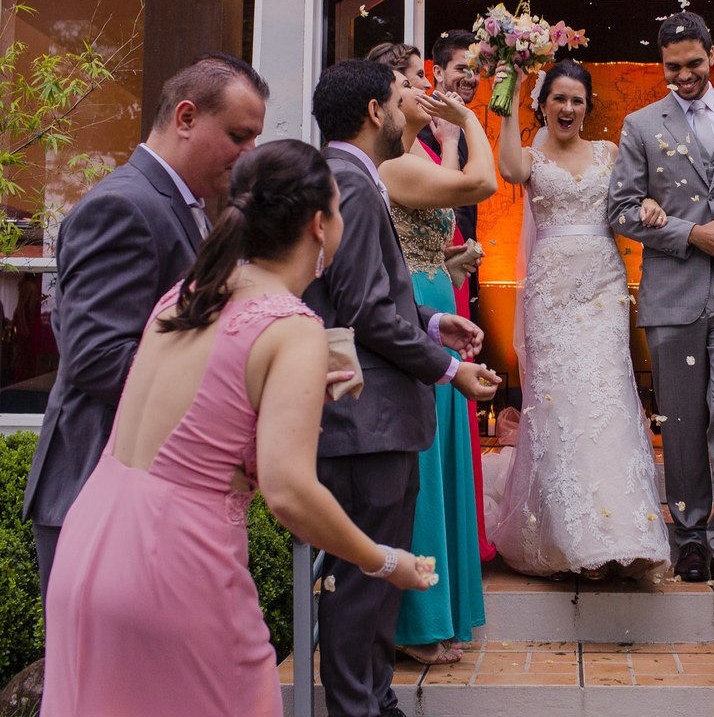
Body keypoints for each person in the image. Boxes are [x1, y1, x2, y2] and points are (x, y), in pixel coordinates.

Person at [40, 139, 435, 717]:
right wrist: (381, 559)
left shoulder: (192, 290)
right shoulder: (293, 327)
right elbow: (289, 490)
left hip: (91, 539)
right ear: (319, 226)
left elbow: (205, 405)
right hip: (175, 559)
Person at [23, 52, 269, 598]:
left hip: (148, 496)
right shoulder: (124, 206)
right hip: (99, 495)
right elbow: (98, 359)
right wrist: (232, 391)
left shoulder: (187, 207)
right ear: (185, 118)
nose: (248, 152)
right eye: (238, 134)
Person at [305, 58, 499, 717]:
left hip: (375, 418)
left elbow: (370, 293)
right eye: (398, 96)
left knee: (380, 573)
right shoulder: (353, 186)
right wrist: (447, 369)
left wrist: (436, 320)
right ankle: (359, 707)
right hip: (367, 421)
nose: (407, 105)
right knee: (364, 582)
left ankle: (376, 699)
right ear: (372, 112)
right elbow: (363, 310)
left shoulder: (351, 179)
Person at [608, 11, 714, 593]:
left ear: (712, 57)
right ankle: (690, 541)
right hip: (674, 289)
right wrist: (689, 233)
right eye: (672, 67)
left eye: (693, 64)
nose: (683, 76)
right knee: (681, 424)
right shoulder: (639, 124)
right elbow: (622, 210)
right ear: (661, 63)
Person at [494, 59, 671, 579]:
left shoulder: (609, 153)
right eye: (558, 99)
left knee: (610, 399)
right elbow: (505, 170)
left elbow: (631, 201)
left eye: (577, 99)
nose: (568, 108)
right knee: (561, 405)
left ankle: (626, 533)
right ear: (542, 104)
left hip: (602, 288)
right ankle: (576, 539)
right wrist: (510, 90)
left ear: (588, 105)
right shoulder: (528, 156)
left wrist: (652, 208)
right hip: (552, 294)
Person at [378, 49, 499, 665]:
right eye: (410, 83)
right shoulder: (394, 166)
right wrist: (469, 122)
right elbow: (482, 182)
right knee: (421, 471)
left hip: (433, 299)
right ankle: (417, 621)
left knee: (444, 463)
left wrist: (449, 265)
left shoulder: (416, 157)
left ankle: (442, 610)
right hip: (411, 317)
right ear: (383, 100)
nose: (423, 90)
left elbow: (417, 245)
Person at [418, 30, 484, 322]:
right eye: (461, 68)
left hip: (461, 259)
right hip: (433, 263)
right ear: (437, 72)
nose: (471, 77)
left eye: (476, 70)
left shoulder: (461, 121)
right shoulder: (421, 120)